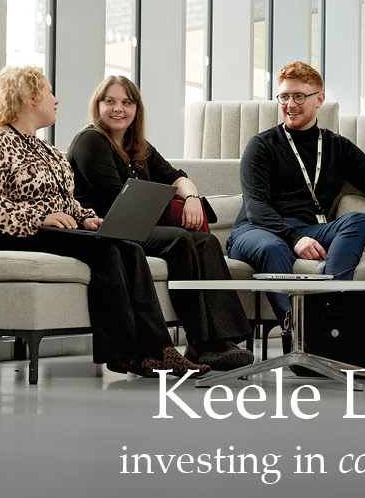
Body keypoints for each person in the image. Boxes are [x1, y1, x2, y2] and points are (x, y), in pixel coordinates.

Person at [0, 65, 209, 378]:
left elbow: (67, 202)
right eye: (49, 92)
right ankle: (127, 353)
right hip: (7, 232)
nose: (55, 100)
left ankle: (157, 351)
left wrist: (86, 217)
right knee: (106, 251)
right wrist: (38, 216)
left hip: (49, 230)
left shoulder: (48, 151)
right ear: (30, 98)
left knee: (126, 247)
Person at [67, 76, 253, 371]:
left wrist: (191, 197)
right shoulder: (90, 141)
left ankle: (219, 342)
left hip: (138, 225)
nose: (119, 109)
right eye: (110, 101)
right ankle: (201, 341)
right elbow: (116, 200)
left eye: (127, 103)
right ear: (97, 106)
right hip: (111, 228)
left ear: (136, 109)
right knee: (181, 239)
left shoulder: (137, 145)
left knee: (205, 240)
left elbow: (176, 176)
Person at [227, 61, 365, 317]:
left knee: (358, 221)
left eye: (299, 96)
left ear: (319, 99)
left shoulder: (338, 147)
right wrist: (295, 240)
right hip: (256, 230)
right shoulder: (261, 145)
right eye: (284, 97)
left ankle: (329, 310)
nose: (290, 105)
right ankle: (294, 329)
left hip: (310, 228)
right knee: (272, 247)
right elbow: (257, 208)